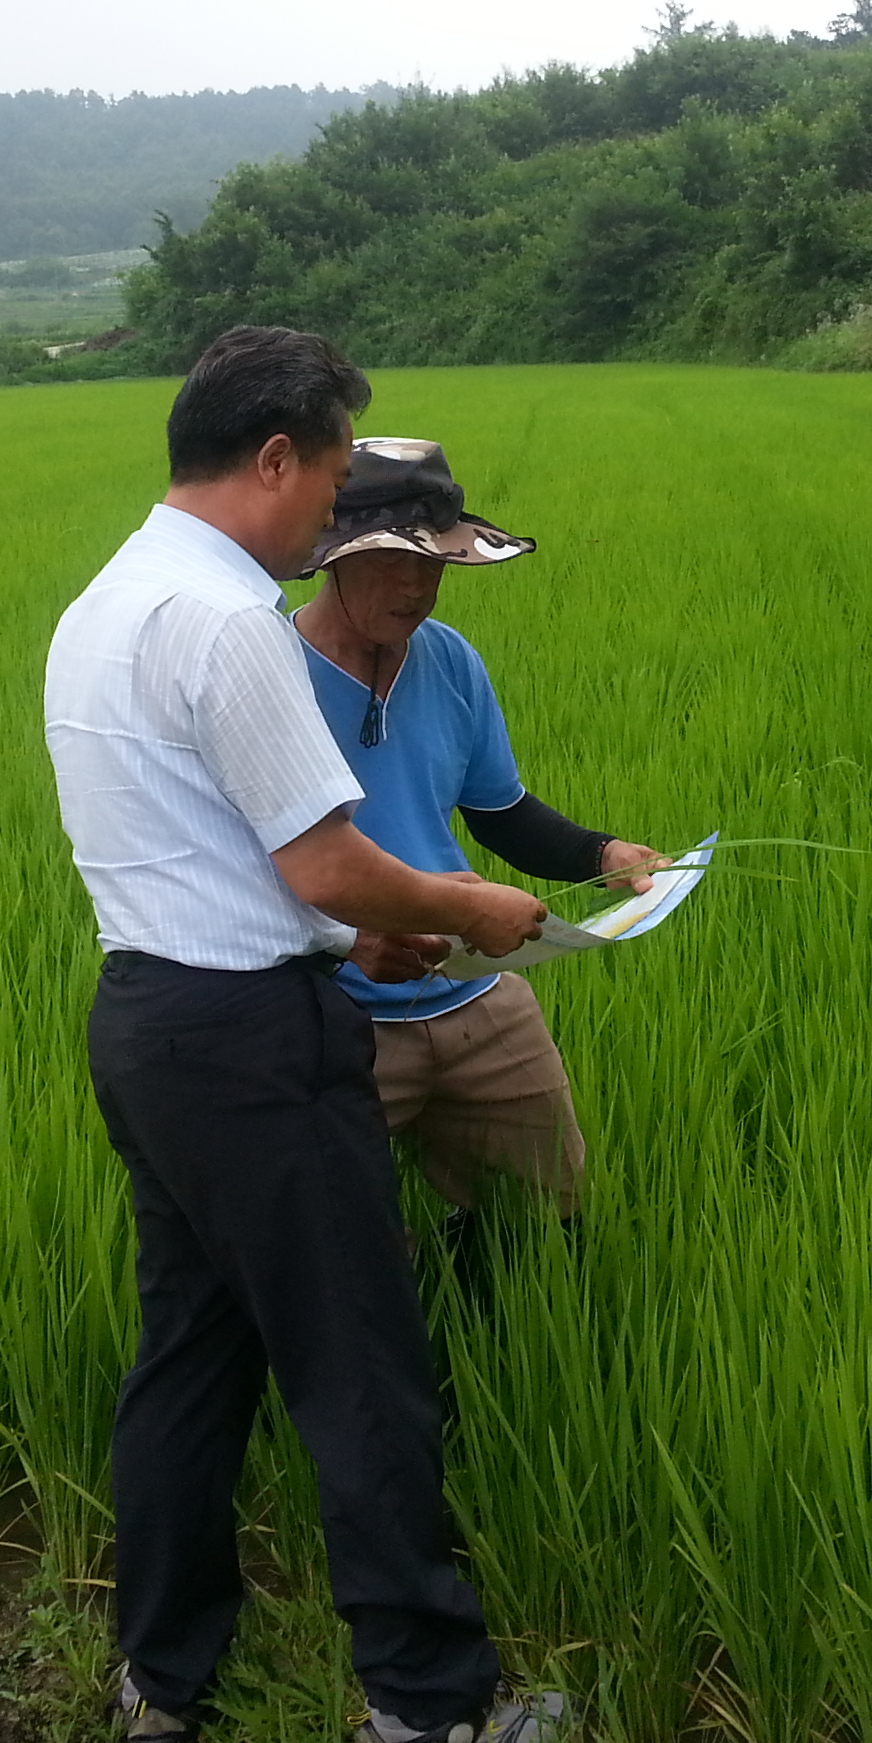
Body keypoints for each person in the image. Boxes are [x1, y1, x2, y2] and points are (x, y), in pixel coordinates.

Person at [42, 326, 568, 1743]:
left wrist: (350, 940)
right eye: (335, 478)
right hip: (259, 1050)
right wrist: (473, 909)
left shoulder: (107, 598)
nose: (334, 513)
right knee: (362, 1372)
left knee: (191, 1364)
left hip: (151, 1023)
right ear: (276, 459)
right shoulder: (230, 623)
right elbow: (329, 857)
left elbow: (212, 860)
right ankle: (426, 1723)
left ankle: (163, 1690)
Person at [288, 437, 664, 1278]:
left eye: (434, 563)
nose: (416, 586)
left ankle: (493, 1317)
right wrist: (345, 942)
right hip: (334, 1012)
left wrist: (602, 852)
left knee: (548, 1219)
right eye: (391, 561)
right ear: (331, 557)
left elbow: (499, 811)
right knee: (333, 1246)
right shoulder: (269, 676)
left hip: (473, 985)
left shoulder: (451, 659)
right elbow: (239, 864)